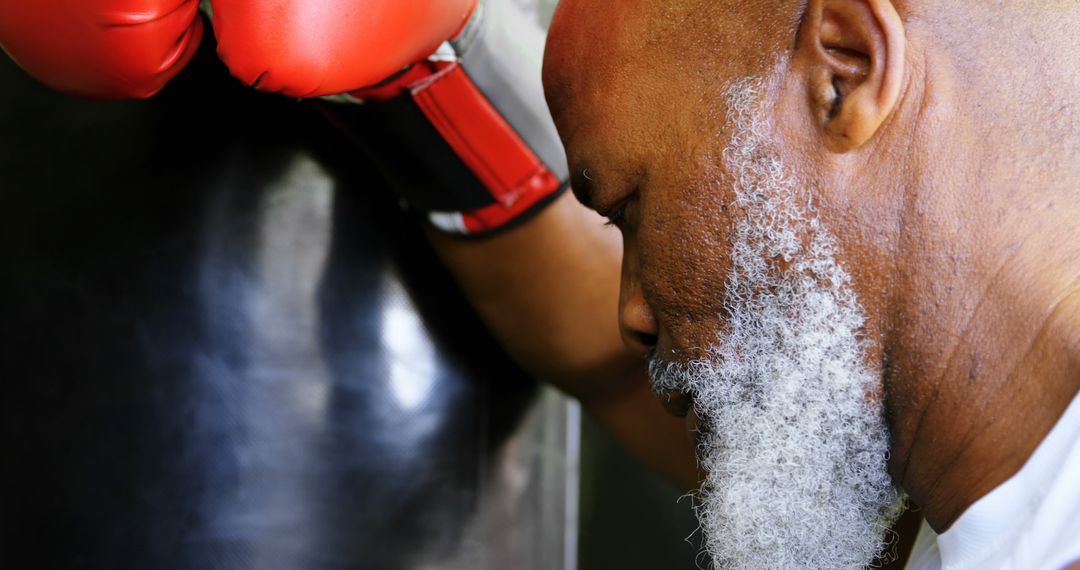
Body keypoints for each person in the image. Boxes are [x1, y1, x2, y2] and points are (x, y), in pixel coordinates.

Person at [4, 0, 1077, 568]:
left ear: (845, 67)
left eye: (635, 210)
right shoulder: (960, 515)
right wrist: (413, 80)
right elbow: (605, 365)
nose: (631, 305)